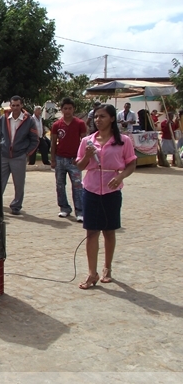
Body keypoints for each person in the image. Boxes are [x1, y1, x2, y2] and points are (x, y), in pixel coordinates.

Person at [75, 104, 136, 289]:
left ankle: (107, 268)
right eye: (96, 117)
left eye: (102, 116)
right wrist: (87, 156)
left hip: (112, 191)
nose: (98, 120)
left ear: (112, 118)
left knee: (109, 231)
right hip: (91, 190)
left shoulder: (123, 141)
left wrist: (120, 177)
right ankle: (91, 273)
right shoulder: (87, 141)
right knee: (91, 232)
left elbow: (131, 164)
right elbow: (79, 165)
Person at [0, 95, 39, 215]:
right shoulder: (4, 118)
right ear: (10, 106)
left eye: (18, 105)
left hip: (19, 156)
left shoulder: (29, 120)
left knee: (19, 183)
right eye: (13, 105)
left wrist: (26, 153)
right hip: (4, 155)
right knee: (0, 182)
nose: (15, 108)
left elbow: (35, 139)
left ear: (21, 105)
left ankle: (16, 206)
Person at [50, 97, 87, 221]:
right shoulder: (57, 125)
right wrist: (53, 159)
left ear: (73, 109)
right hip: (60, 158)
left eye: (70, 108)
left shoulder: (80, 124)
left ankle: (80, 211)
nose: (67, 111)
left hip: (74, 160)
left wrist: (80, 157)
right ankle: (64, 208)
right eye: (65, 108)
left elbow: (84, 142)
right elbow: (53, 142)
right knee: (60, 185)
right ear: (61, 110)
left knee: (77, 186)